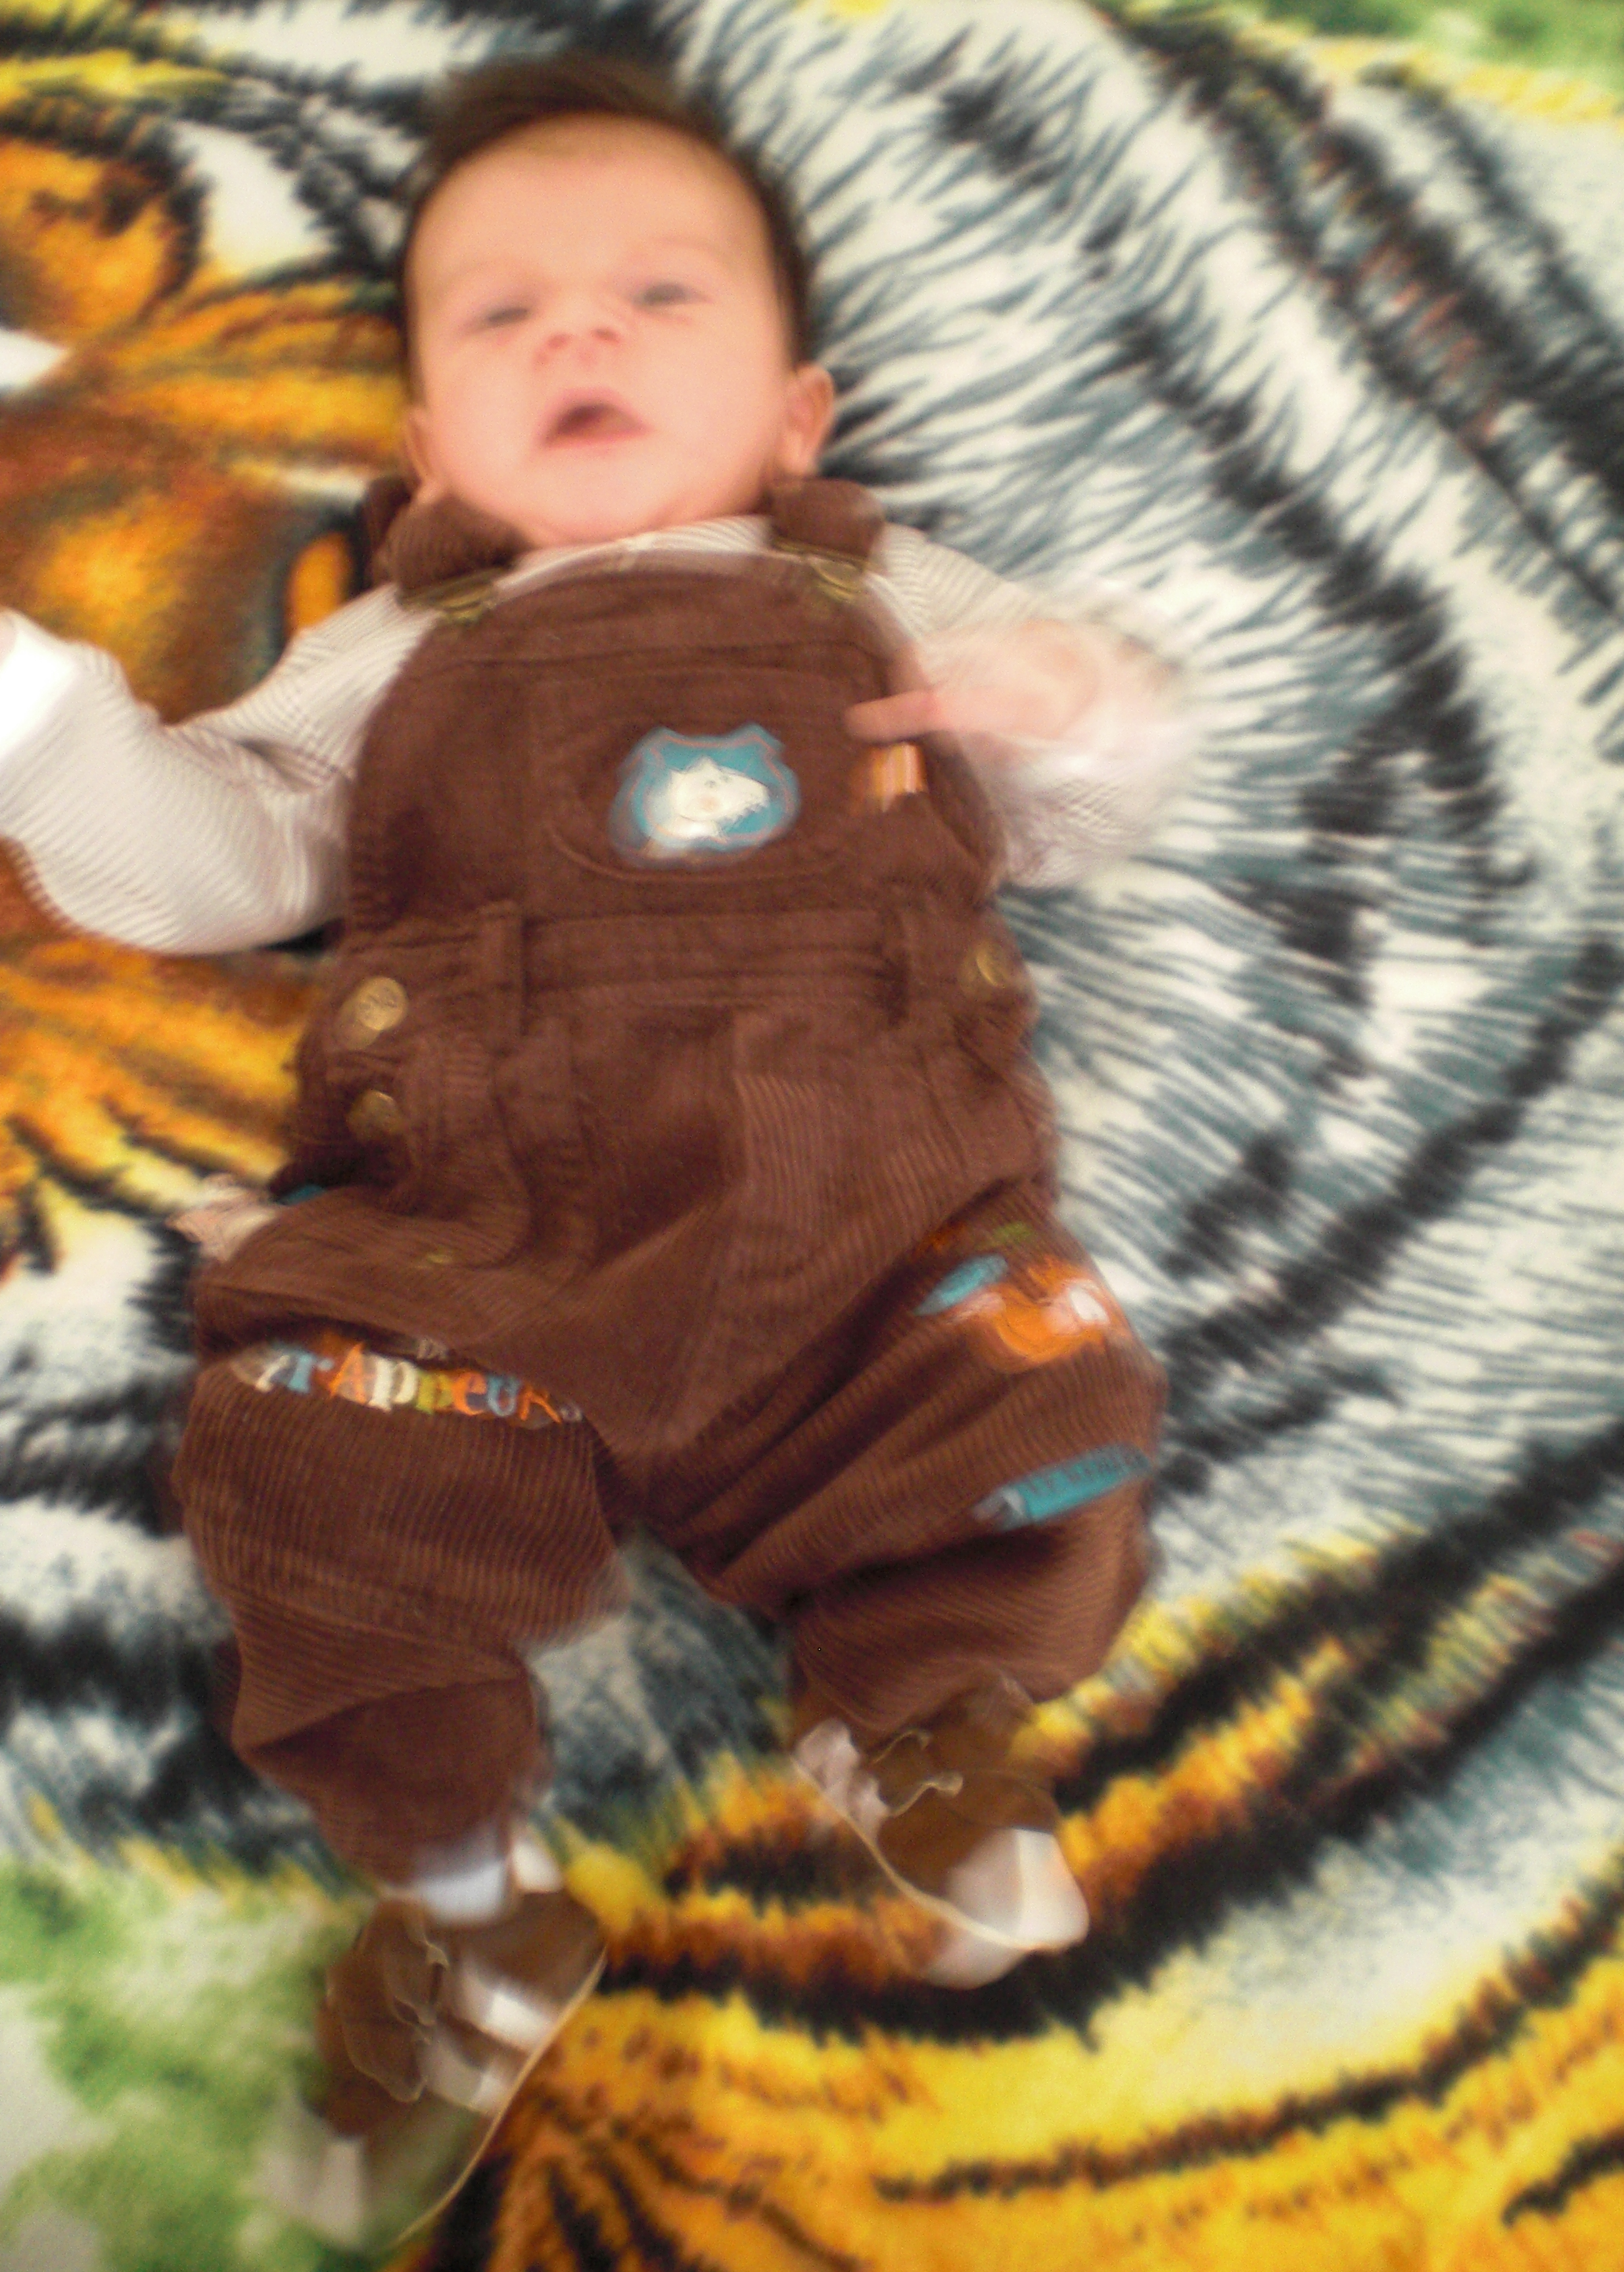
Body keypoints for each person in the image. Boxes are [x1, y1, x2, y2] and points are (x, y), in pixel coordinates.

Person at [0, 53, 1188, 2246]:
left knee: (1024, 1400)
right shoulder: (395, 649)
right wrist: (44, 722)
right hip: (475, 1250)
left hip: (878, 1234)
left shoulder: (882, 596)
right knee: (315, 1485)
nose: (582, 331)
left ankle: (929, 1718)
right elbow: (216, 869)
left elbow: (1087, 806)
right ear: (427, 448)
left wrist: (1077, 712)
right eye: (505, 313)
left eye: (661, 294)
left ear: (799, 418)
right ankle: (473, 1903)